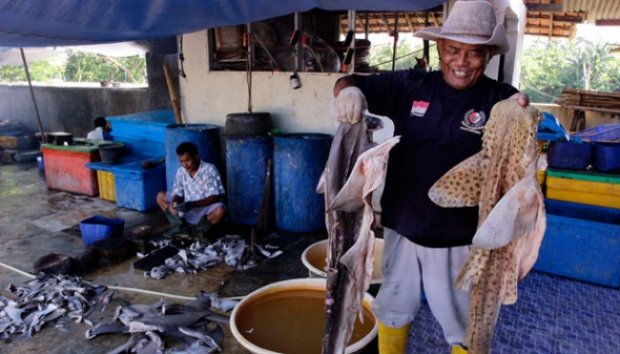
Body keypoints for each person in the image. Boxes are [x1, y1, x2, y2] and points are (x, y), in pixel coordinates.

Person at [332, 1, 529, 353]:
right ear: (440, 48)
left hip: (459, 240)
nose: (462, 62)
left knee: (462, 326)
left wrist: (522, 114)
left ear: (487, 56)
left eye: (474, 53)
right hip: (401, 230)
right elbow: (348, 80)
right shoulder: (411, 86)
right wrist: (349, 93)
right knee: (392, 311)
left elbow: (522, 129)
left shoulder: (498, 99)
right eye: (453, 50)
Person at [156, 142, 226, 242]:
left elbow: (216, 196)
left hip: (204, 210)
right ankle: (180, 226)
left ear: (196, 157)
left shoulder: (210, 169)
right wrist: (174, 202)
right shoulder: (181, 171)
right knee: (160, 196)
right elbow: (178, 192)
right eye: (181, 161)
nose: (185, 165)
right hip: (187, 209)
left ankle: (201, 230)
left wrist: (193, 204)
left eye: (187, 160)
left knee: (220, 210)